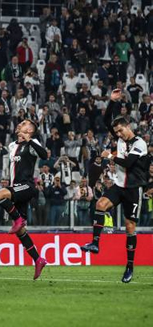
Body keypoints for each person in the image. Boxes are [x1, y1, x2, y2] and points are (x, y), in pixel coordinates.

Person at [81, 89, 149, 283]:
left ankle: (129, 267)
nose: (118, 134)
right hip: (119, 186)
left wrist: (109, 156)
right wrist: (112, 102)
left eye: (120, 130)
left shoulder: (140, 144)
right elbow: (106, 122)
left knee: (129, 227)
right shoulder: (119, 138)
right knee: (100, 204)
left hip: (133, 189)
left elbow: (127, 164)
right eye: (116, 131)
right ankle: (95, 243)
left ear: (128, 127)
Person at [0, 119, 48, 279]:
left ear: (30, 130)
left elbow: (44, 155)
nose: (20, 124)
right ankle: (38, 259)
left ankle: (18, 219)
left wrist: (29, 139)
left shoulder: (33, 142)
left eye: (24, 123)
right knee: (20, 232)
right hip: (16, 187)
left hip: (27, 186)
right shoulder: (12, 146)